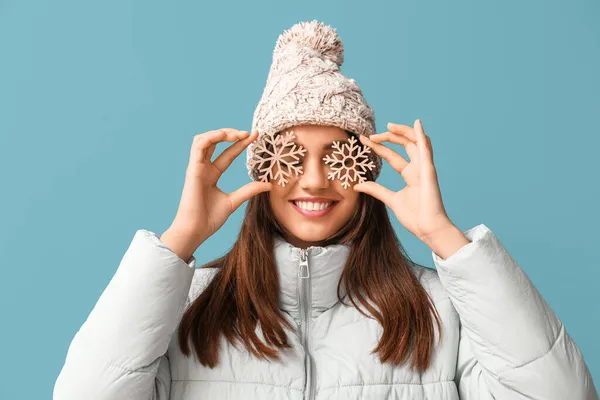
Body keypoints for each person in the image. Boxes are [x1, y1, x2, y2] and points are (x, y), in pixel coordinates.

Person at [53, 20, 598, 400]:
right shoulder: (185, 304)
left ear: (366, 168)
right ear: (261, 167)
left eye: (338, 156)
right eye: (291, 156)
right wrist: (178, 243)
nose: (313, 179)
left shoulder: (442, 309)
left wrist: (444, 237)